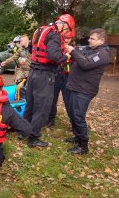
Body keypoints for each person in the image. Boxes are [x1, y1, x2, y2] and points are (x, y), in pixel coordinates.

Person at [24, 14, 75, 148]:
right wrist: (66, 56)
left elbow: (31, 48)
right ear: (64, 25)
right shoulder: (54, 35)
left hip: (33, 72)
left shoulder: (41, 30)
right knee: (42, 108)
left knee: (31, 104)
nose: (65, 34)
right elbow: (54, 55)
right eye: (66, 31)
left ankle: (23, 131)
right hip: (44, 75)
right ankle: (33, 137)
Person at [65, 28, 110, 154]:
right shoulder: (91, 49)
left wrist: (73, 51)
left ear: (102, 40)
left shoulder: (103, 54)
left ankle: (83, 146)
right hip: (76, 87)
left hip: (85, 90)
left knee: (78, 116)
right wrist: (72, 49)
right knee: (73, 114)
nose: (89, 40)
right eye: (89, 38)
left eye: (92, 38)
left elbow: (86, 64)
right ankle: (77, 136)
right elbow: (80, 53)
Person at [47, 30, 75, 127]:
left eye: (69, 38)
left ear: (71, 39)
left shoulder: (74, 49)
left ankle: (74, 122)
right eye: (65, 37)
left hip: (68, 78)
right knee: (52, 99)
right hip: (56, 76)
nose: (66, 40)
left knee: (68, 101)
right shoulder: (57, 48)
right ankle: (51, 119)